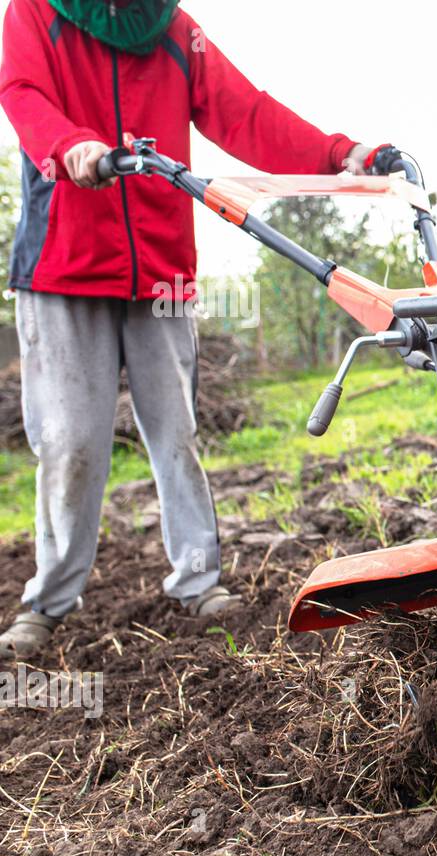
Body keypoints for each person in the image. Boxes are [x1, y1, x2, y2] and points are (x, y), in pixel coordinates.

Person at [0, 0, 377, 659]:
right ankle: (50, 599)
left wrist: (340, 152)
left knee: (177, 433)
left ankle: (199, 581)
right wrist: (71, 145)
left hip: (160, 268)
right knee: (71, 444)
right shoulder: (37, 12)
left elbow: (246, 112)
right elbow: (22, 90)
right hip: (66, 263)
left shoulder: (173, 29)